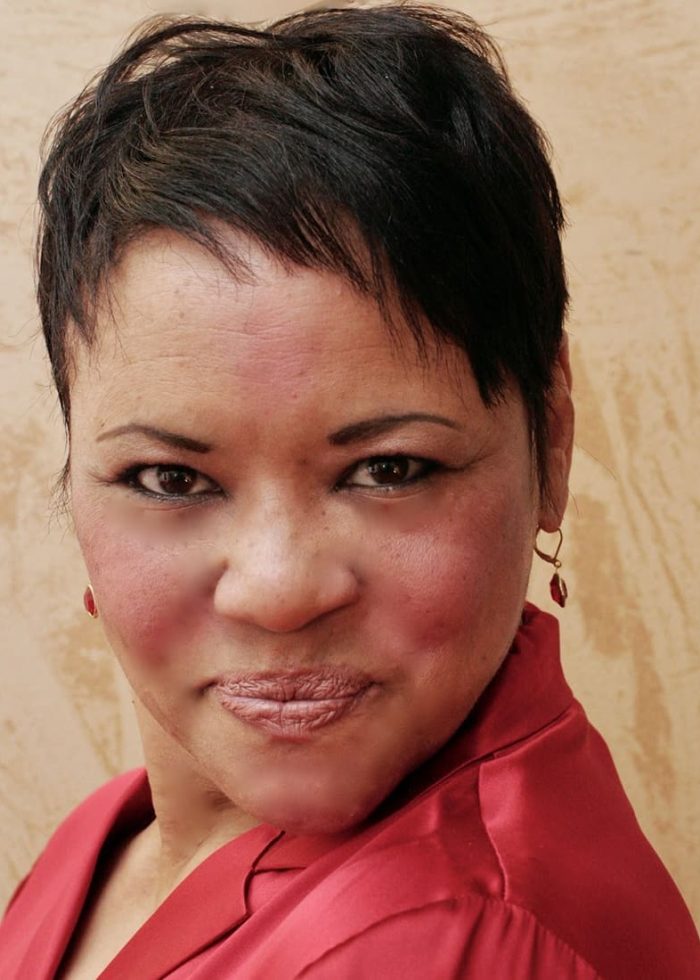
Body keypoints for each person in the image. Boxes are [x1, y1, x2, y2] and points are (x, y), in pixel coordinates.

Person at [0, 3, 697, 977]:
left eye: (390, 469)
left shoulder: (451, 944)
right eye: (171, 478)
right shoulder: (109, 836)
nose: (280, 590)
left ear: (551, 436)